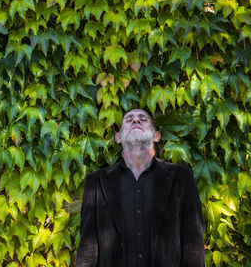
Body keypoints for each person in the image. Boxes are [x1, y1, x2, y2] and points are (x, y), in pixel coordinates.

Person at [75, 109, 205, 267]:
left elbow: (193, 243)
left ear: (156, 136)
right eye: (129, 119)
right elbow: (87, 249)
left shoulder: (182, 178)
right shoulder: (96, 182)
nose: (136, 120)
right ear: (118, 138)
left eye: (143, 119)